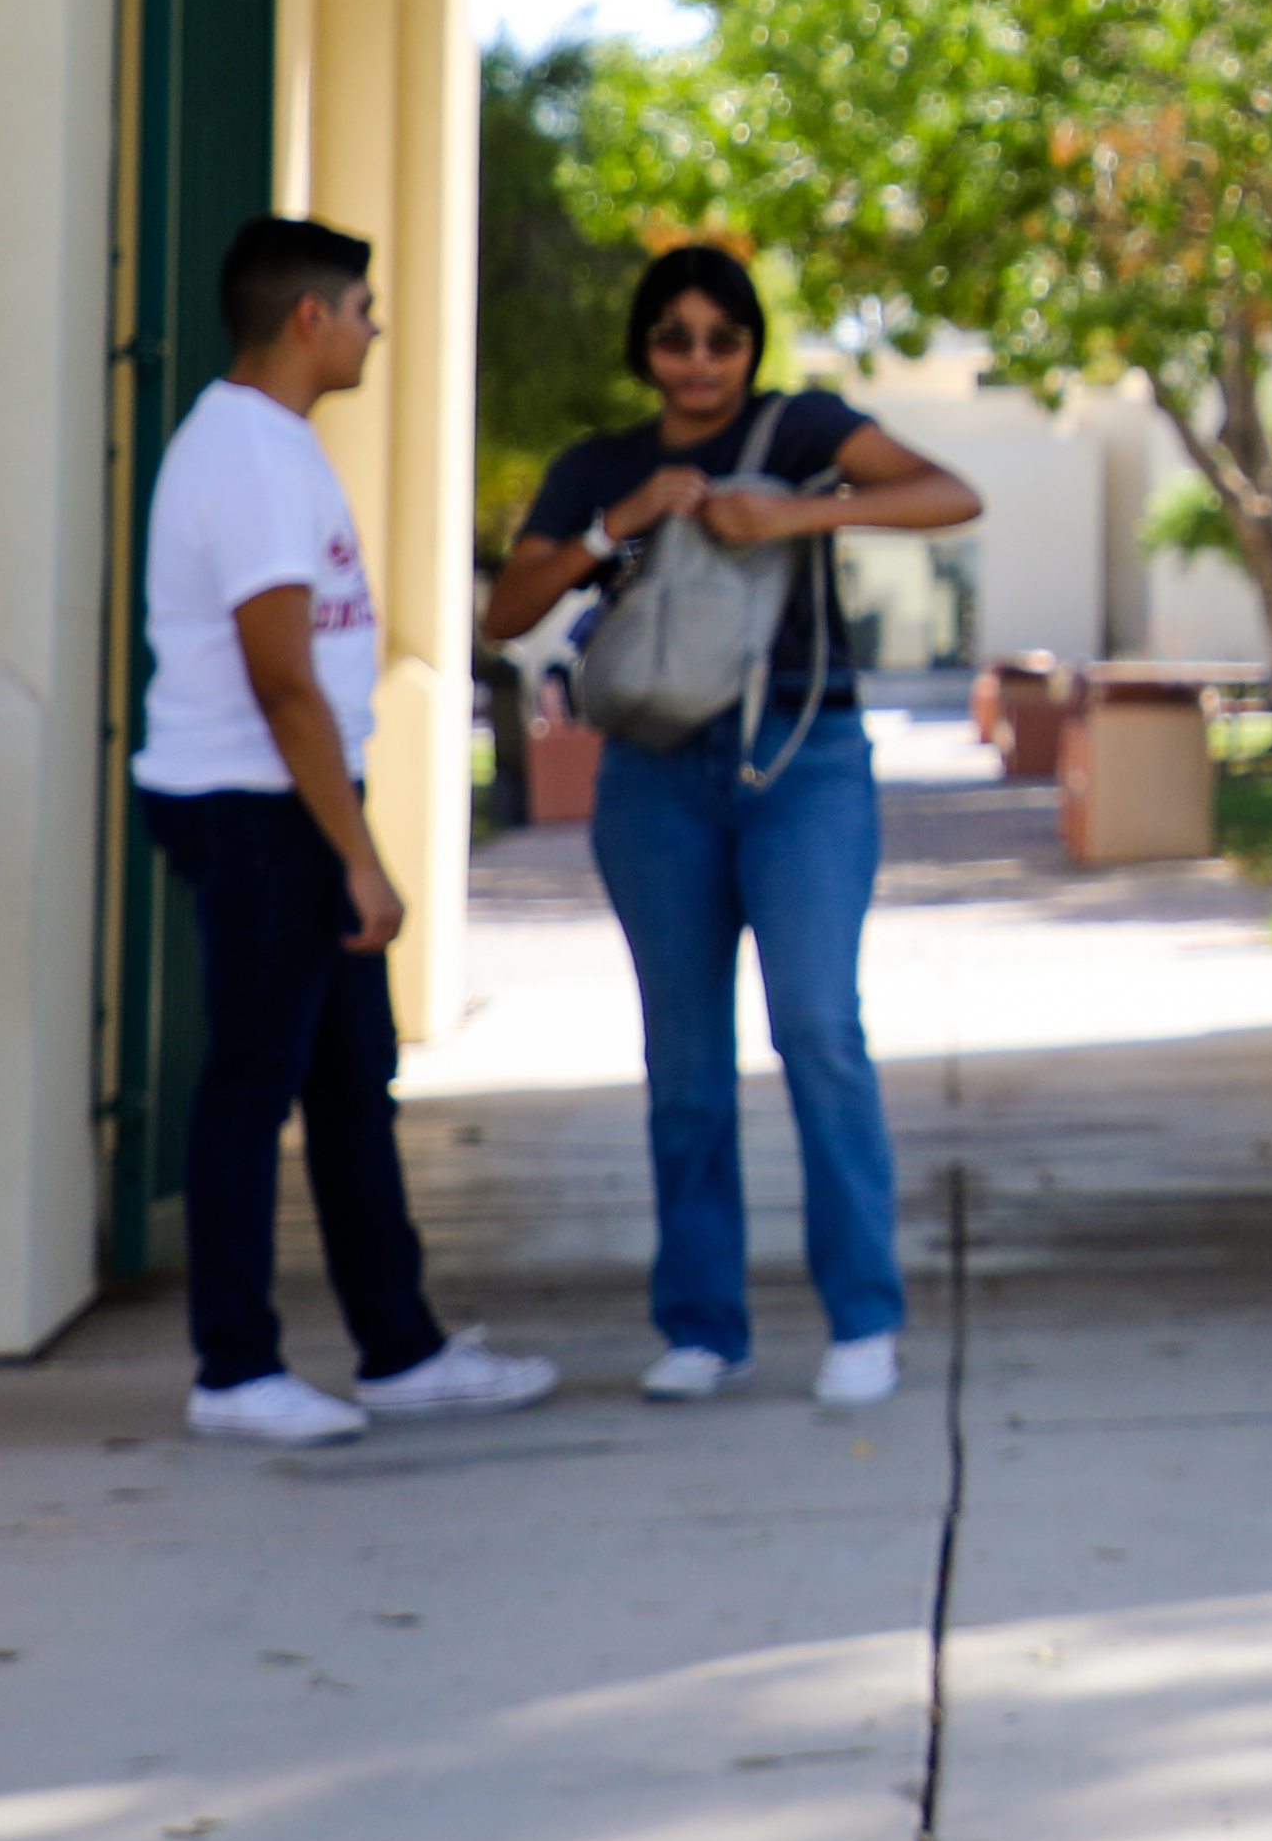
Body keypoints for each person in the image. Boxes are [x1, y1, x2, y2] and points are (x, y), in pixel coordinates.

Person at [481, 244, 980, 1407]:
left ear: (751, 345)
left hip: (804, 759)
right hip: (655, 776)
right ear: (644, 348)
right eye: (674, 337)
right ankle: (702, 1325)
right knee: (686, 1064)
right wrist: (619, 524)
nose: (699, 360)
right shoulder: (602, 463)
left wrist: (795, 512)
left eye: (722, 337)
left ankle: (864, 1317)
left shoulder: (800, 427)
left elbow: (952, 493)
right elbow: (510, 606)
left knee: (817, 1028)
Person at [136, 215, 563, 1446]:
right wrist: (358, 856)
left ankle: (401, 1346)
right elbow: (282, 680)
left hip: (289, 804)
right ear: (309, 316)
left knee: (348, 1086)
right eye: (366, 308)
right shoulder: (256, 460)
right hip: (261, 808)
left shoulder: (267, 445)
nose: (377, 330)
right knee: (252, 1088)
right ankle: (235, 1368)